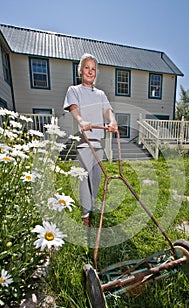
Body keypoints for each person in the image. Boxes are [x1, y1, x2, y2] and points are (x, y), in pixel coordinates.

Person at [63, 53, 118, 227]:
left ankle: (90, 206)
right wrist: (81, 121)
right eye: (86, 67)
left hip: (97, 143)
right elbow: (74, 108)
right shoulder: (74, 90)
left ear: (96, 73)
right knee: (85, 178)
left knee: (95, 178)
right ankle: (85, 215)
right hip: (84, 142)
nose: (90, 71)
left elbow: (107, 110)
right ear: (80, 70)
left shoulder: (100, 94)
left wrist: (112, 121)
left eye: (93, 69)